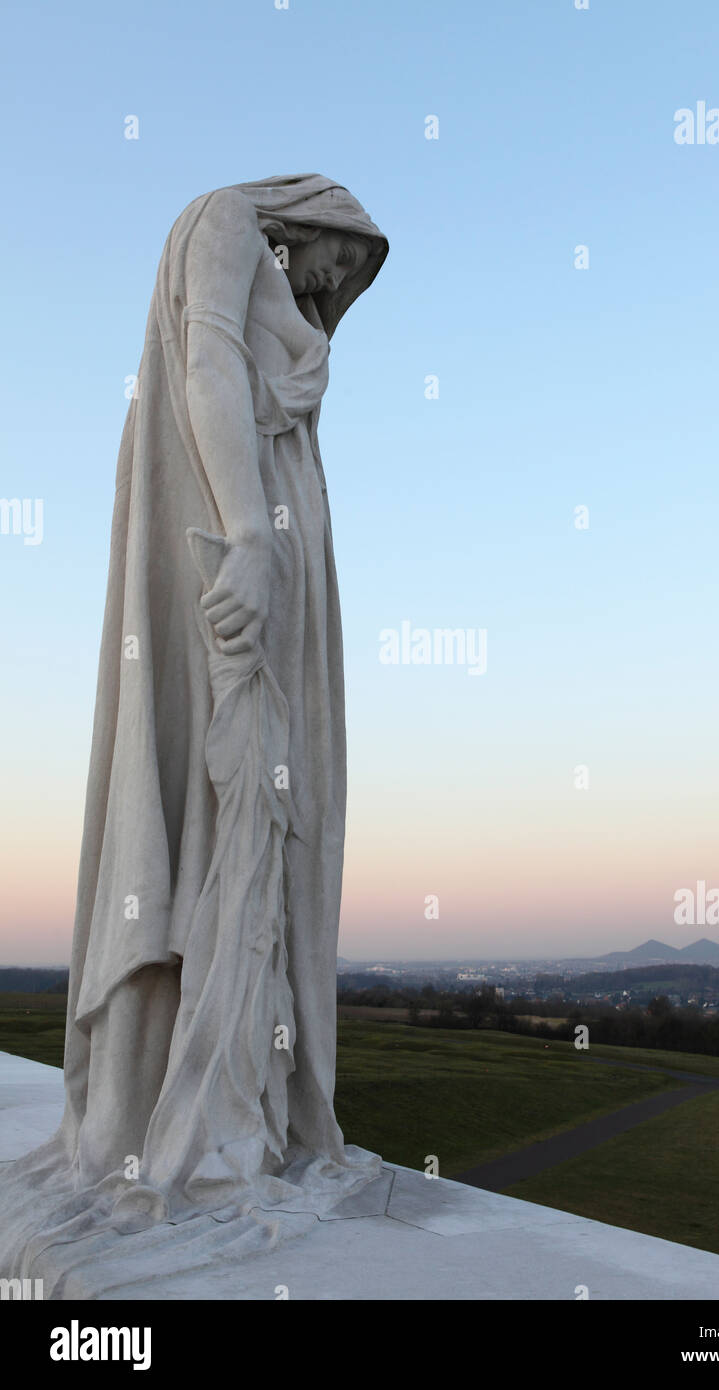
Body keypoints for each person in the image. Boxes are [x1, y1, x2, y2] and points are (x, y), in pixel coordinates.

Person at [0, 175, 389, 1277]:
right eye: (342, 265)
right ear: (321, 223)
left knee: (268, 812)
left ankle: (244, 1104)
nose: (334, 290)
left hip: (263, 553)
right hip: (236, 561)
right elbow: (212, 359)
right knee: (233, 804)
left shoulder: (264, 269)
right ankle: (199, 1114)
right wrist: (250, 541)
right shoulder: (227, 225)